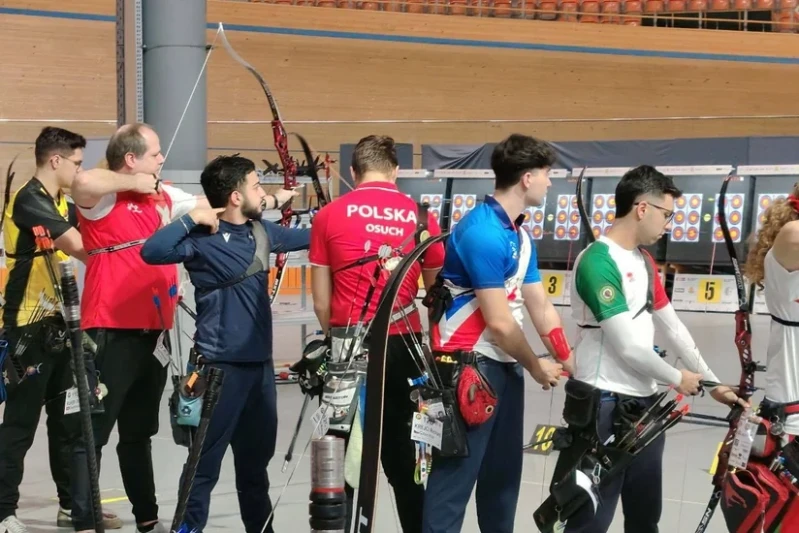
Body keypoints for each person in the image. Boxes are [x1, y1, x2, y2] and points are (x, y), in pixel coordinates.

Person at [552, 165, 744, 533]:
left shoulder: (644, 260)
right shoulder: (597, 261)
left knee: (644, 517)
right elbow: (627, 346)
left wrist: (714, 382)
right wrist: (678, 377)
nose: (669, 223)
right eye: (666, 214)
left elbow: (673, 327)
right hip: (603, 403)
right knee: (590, 519)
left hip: (645, 406)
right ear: (642, 208)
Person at [140, 154, 305, 533]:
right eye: (255, 187)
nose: (261, 194)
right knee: (203, 466)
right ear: (234, 196)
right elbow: (152, 252)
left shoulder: (264, 232)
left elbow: (316, 235)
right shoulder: (202, 240)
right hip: (218, 371)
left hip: (260, 372)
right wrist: (190, 217)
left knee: (254, 469)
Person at [421, 134, 570, 533]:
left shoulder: (519, 237)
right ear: (526, 178)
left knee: (502, 481)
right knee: (453, 484)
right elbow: (501, 325)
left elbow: (540, 306)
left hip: (502, 370)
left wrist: (568, 359)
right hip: (468, 369)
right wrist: (538, 366)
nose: (549, 183)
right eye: (546, 175)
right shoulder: (482, 232)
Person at [68, 123, 211, 533]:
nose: (162, 159)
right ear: (131, 160)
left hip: (154, 333)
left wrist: (260, 198)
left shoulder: (162, 196)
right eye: (155, 153)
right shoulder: (105, 198)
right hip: (111, 328)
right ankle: (84, 520)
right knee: (94, 431)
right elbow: (83, 181)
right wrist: (134, 181)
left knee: (138, 433)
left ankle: (147, 517)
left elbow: (207, 203)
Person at [308, 135, 446, 532]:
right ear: (395, 170)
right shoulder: (421, 218)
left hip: (346, 346)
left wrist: (340, 343)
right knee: (407, 461)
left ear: (353, 171)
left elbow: (321, 302)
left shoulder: (329, 215)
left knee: (338, 456)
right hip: (403, 348)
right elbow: (434, 296)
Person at [0, 127, 122, 533]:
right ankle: (3, 510)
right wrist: (120, 263)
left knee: (69, 422)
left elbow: (97, 222)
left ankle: (72, 505)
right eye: (76, 163)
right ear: (55, 161)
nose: (79, 170)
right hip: (26, 329)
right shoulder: (29, 200)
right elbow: (79, 246)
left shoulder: (62, 201)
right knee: (19, 426)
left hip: (64, 328)